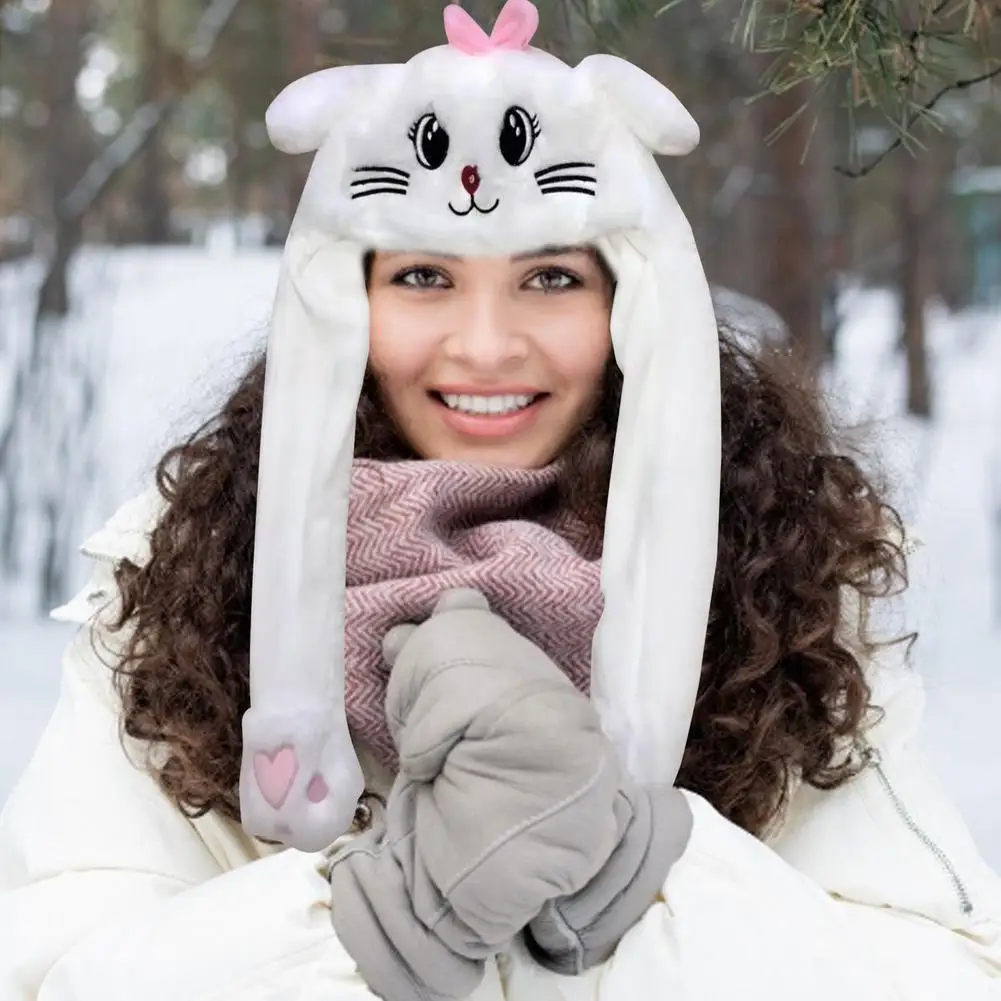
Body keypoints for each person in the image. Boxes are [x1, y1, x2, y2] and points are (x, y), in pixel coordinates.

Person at [2, 2, 1000, 999]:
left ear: (628, 296)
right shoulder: (177, 580)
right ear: (347, 295)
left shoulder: (775, 578)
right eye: (425, 275)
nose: (483, 345)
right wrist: (388, 918)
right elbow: (56, 965)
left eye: (551, 277)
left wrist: (631, 855)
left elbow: (939, 970)